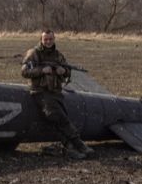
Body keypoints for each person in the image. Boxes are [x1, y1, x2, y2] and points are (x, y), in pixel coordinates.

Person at [21, 29, 94, 160]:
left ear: (54, 40)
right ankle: (77, 144)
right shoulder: (34, 53)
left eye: (50, 39)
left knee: (62, 118)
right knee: (57, 117)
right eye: (45, 39)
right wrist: (41, 70)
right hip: (40, 92)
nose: (48, 42)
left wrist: (63, 71)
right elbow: (25, 71)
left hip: (56, 92)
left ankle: (72, 146)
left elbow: (67, 70)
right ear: (41, 40)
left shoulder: (58, 55)